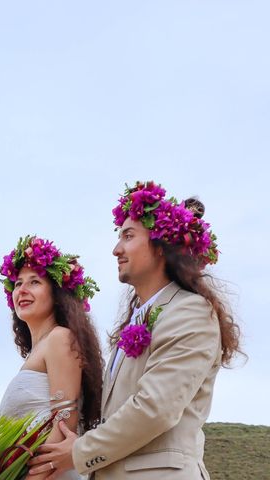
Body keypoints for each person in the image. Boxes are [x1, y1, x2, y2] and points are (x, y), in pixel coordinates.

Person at [27, 181, 243, 479]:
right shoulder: (135, 323)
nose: (117, 249)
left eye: (128, 236)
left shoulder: (190, 311)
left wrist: (79, 453)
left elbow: (155, 408)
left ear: (161, 246)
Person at [0, 235, 104, 480]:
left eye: (34, 282)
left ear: (57, 294)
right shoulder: (39, 351)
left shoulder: (60, 338)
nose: (21, 290)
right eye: (18, 283)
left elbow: (64, 423)